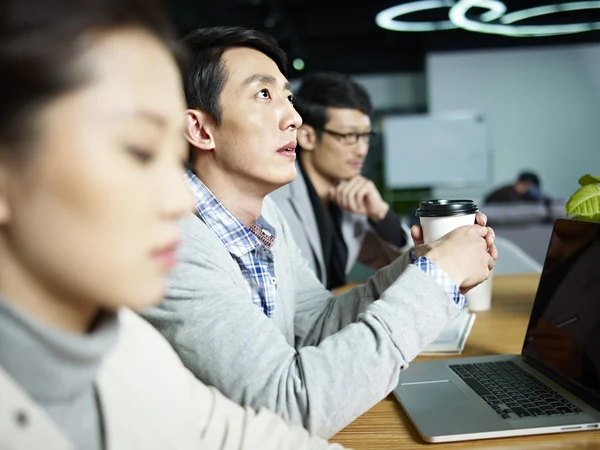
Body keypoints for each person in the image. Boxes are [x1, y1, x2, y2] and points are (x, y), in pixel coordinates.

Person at [0, 2, 344, 449]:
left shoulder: (128, 351)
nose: (180, 199)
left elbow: (243, 436)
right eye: (139, 151)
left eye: (171, 159)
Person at [142, 26, 497, 438]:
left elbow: (315, 322)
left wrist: (417, 266)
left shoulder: (267, 216)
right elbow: (288, 406)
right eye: (263, 94)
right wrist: (437, 281)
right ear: (201, 130)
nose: (293, 118)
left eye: (288, 98)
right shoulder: (172, 244)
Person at [270, 72, 411, 289]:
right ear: (306, 137)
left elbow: (401, 265)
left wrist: (381, 214)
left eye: (365, 136)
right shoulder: (273, 202)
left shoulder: (349, 197)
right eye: (348, 137)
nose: (362, 150)